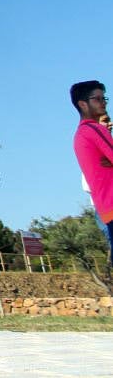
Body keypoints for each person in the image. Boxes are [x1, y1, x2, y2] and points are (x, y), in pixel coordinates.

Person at [72, 80, 113, 262]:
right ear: (83, 104)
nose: (103, 102)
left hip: (106, 208)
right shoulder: (93, 129)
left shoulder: (80, 134)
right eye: (97, 99)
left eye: (104, 98)